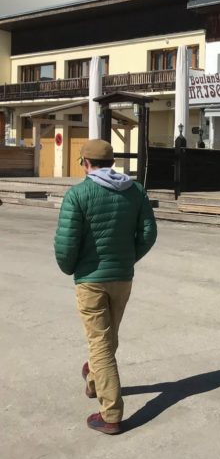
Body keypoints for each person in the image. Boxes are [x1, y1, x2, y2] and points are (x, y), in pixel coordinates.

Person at [54, 139, 157, 435]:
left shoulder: (78, 194)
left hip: (90, 279)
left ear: (85, 163)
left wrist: (71, 267)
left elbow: (66, 243)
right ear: (111, 162)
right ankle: (93, 380)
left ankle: (111, 413)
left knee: (100, 342)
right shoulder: (135, 191)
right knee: (108, 337)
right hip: (122, 277)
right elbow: (148, 232)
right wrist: (128, 258)